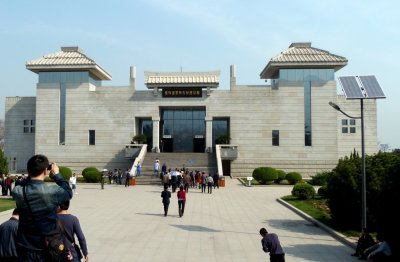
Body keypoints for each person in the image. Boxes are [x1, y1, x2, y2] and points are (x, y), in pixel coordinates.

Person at [12, 154, 73, 261]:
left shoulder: (18, 191)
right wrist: (57, 175)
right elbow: (68, 192)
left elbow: (21, 183)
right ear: (46, 171)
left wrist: (31, 173)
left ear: (28, 170)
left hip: (25, 245)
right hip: (47, 246)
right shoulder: (52, 191)